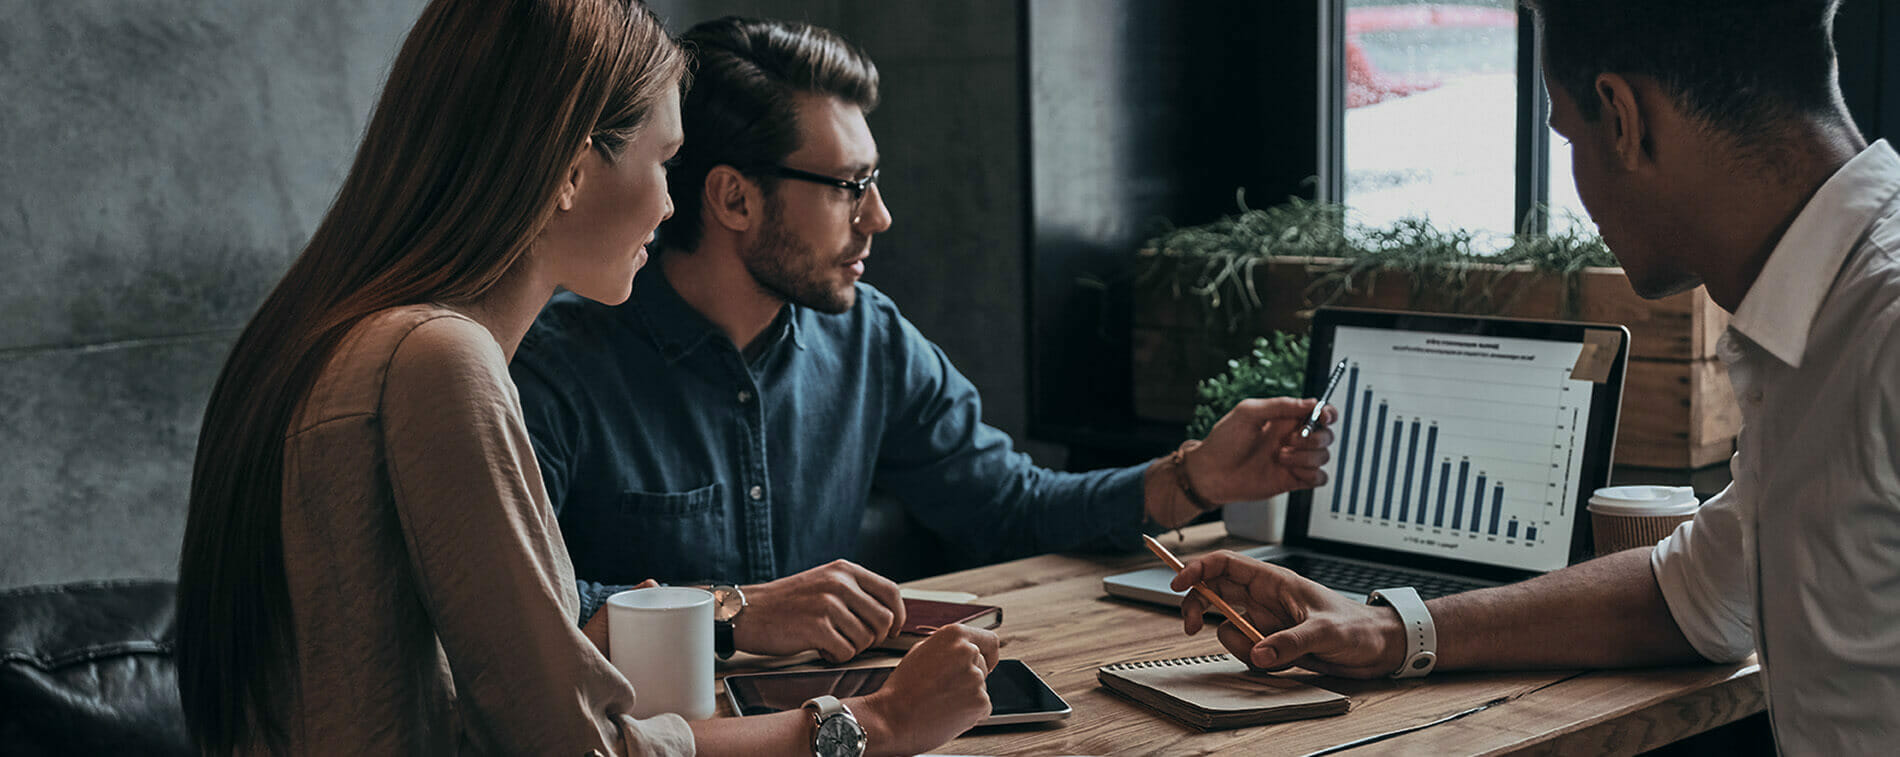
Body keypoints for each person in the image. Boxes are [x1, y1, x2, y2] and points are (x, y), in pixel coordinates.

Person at [174, 2, 997, 755]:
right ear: (570, 168)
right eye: (665, 162)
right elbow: (582, 749)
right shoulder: (438, 361)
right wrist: (875, 722)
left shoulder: (333, 334)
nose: (675, 206)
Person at [1167, 1, 1899, 752]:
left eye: (1568, 136)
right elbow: (1695, 594)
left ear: (1622, 117)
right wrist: (1384, 628)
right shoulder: (1824, 322)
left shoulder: (1883, 332)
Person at [508, 15, 1339, 664]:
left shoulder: (869, 339)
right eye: (850, 187)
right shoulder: (554, 368)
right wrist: (736, 609)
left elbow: (1008, 508)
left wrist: (1195, 475)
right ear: (733, 200)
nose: (880, 216)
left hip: (841, 729)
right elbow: (520, 612)